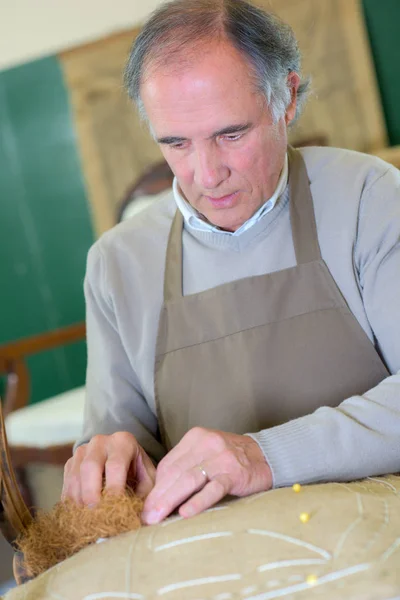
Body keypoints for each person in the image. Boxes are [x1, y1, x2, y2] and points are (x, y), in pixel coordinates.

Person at [62, 0, 400, 526]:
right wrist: (108, 466)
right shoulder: (117, 263)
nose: (206, 174)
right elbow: (119, 450)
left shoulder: (369, 199)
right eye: (175, 143)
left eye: (230, 135)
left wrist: (263, 456)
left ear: (286, 98)